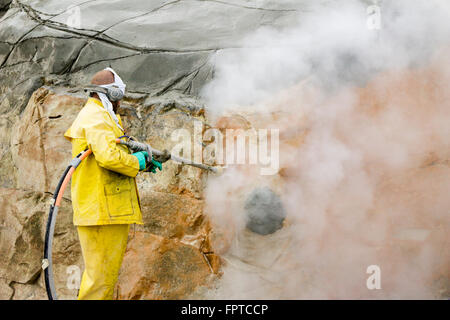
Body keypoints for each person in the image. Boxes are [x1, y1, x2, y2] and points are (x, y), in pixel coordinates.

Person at [64, 67, 166, 299]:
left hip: (104, 210)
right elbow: (109, 157)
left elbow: (111, 150)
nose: (122, 101)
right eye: (120, 95)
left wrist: (144, 161)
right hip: (102, 210)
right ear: (113, 94)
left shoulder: (102, 116)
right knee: (100, 281)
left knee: (101, 278)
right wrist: (136, 162)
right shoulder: (96, 118)